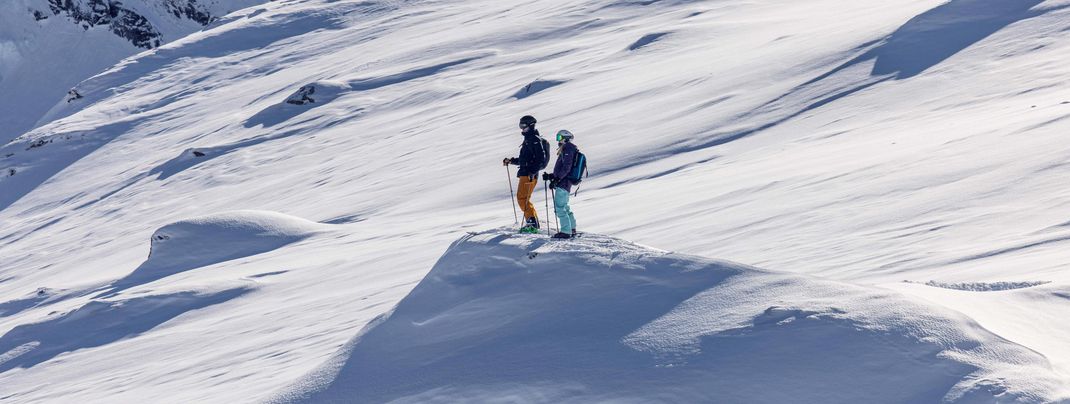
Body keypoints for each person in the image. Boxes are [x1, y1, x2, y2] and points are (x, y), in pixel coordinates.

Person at [503, 115, 546, 233]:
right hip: (526, 173)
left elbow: (540, 159)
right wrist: (511, 161)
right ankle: (532, 221)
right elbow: (525, 159)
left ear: (531, 125)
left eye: (523, 126)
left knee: (522, 199)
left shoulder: (534, 139)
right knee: (523, 198)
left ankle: (532, 224)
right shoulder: (528, 139)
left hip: (529, 174)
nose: (521, 129)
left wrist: (532, 171)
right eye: (520, 126)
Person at [543, 129, 579, 239]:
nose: (558, 140)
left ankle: (566, 231)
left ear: (566, 138)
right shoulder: (568, 148)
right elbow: (563, 167)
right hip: (564, 183)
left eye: (559, 137)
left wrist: (557, 179)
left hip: (563, 183)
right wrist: (551, 176)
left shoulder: (568, 148)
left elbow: (567, 167)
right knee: (565, 207)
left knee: (559, 207)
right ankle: (571, 229)